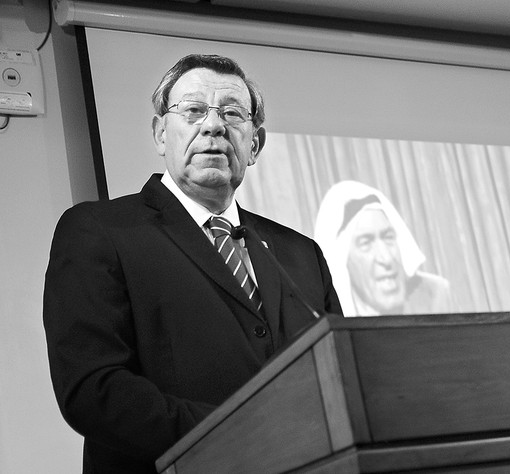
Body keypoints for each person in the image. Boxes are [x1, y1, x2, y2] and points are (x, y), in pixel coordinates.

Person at [43, 54, 342, 474]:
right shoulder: (99, 230)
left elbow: (335, 373)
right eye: (194, 110)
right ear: (160, 133)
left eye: (233, 114)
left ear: (254, 144)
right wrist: (247, 434)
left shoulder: (300, 253)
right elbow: (94, 389)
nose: (214, 125)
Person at [314, 180, 455, 316]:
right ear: (342, 260)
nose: (386, 258)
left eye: (388, 238)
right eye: (366, 243)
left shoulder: (435, 295)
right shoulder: (330, 315)